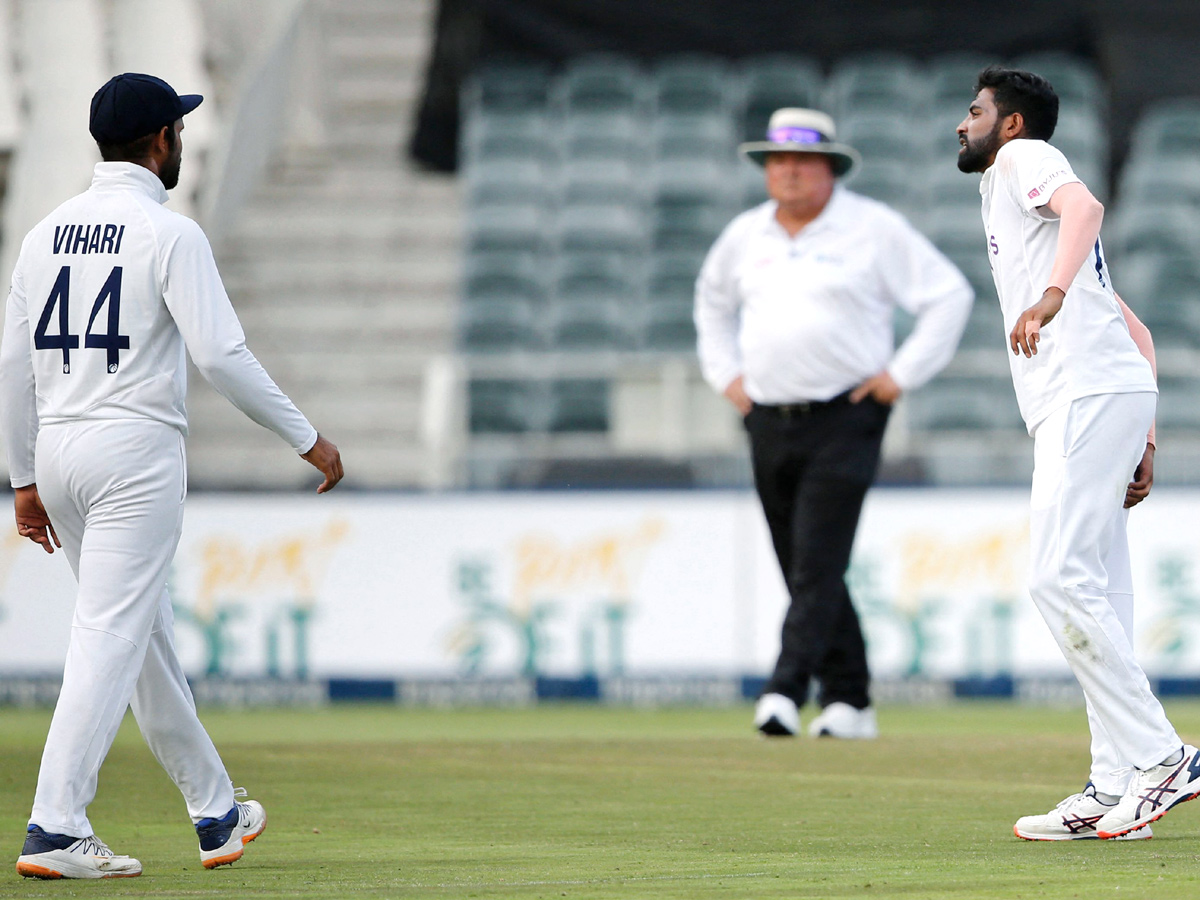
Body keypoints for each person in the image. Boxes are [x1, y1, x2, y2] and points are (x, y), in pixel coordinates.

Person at [0, 73, 344, 879]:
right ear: (161, 141)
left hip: (59, 447)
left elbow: (14, 362)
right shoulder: (170, 232)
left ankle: (216, 810)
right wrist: (306, 437)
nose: (182, 143)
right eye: (179, 132)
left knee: (139, 634)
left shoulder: (43, 232)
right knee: (112, 635)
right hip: (133, 451)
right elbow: (220, 353)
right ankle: (55, 824)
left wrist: (21, 476)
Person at [956, 65, 1200, 841]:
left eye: (975, 111)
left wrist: (1052, 297)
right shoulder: (1014, 210)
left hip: (1086, 394)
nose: (963, 125)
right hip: (1108, 395)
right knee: (1098, 590)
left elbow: (1085, 205)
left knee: (1057, 578)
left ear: (1012, 124)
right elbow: (1141, 331)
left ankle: (1164, 758)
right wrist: (1147, 438)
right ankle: (1113, 784)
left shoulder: (1022, 162)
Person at [695, 108, 973, 739]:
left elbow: (948, 295)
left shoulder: (872, 228)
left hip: (846, 415)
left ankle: (783, 690)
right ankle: (850, 701)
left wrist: (899, 375)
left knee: (816, 559)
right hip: (766, 414)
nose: (788, 172)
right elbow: (712, 305)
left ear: (830, 169)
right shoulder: (745, 235)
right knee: (802, 560)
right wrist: (726, 377)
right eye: (777, 161)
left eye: (802, 161)